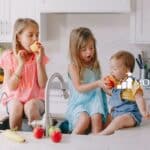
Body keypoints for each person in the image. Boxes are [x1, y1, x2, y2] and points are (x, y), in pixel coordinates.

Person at [0, 18, 49, 130]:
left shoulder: (39, 55)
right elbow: (11, 86)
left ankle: (38, 141)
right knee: (16, 107)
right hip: (14, 98)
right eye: (30, 35)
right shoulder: (8, 56)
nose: (35, 39)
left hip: (36, 99)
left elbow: (43, 85)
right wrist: (21, 65)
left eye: (37, 35)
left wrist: (39, 62)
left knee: (30, 106)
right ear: (18, 37)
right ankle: (16, 143)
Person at [65, 27, 109, 134]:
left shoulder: (95, 64)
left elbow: (100, 87)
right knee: (84, 120)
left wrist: (108, 89)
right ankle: (72, 143)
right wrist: (98, 83)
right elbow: (79, 88)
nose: (89, 52)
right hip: (79, 103)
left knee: (97, 120)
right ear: (75, 51)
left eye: (91, 48)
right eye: (84, 50)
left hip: (95, 102)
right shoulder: (73, 66)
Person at [100, 50, 150, 135]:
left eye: (115, 68)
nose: (111, 71)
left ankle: (102, 134)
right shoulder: (116, 83)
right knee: (103, 117)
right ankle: (96, 130)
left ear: (127, 70)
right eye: (111, 68)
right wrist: (102, 87)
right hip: (116, 113)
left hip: (131, 115)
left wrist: (143, 111)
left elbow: (139, 97)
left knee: (119, 120)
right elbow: (112, 94)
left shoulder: (133, 83)